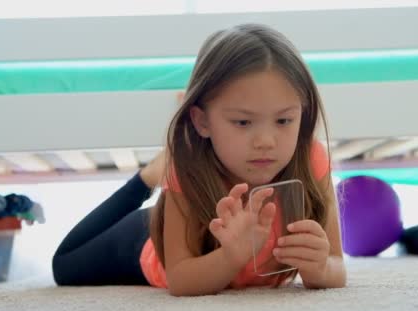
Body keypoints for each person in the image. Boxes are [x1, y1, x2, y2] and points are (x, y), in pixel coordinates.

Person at [52, 23, 346, 296]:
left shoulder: (310, 159)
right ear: (202, 122)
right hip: (147, 242)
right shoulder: (188, 168)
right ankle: (146, 179)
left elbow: (336, 267)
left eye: (284, 120)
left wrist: (319, 268)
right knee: (64, 265)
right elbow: (180, 280)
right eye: (243, 122)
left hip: (180, 212)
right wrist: (231, 256)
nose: (266, 142)